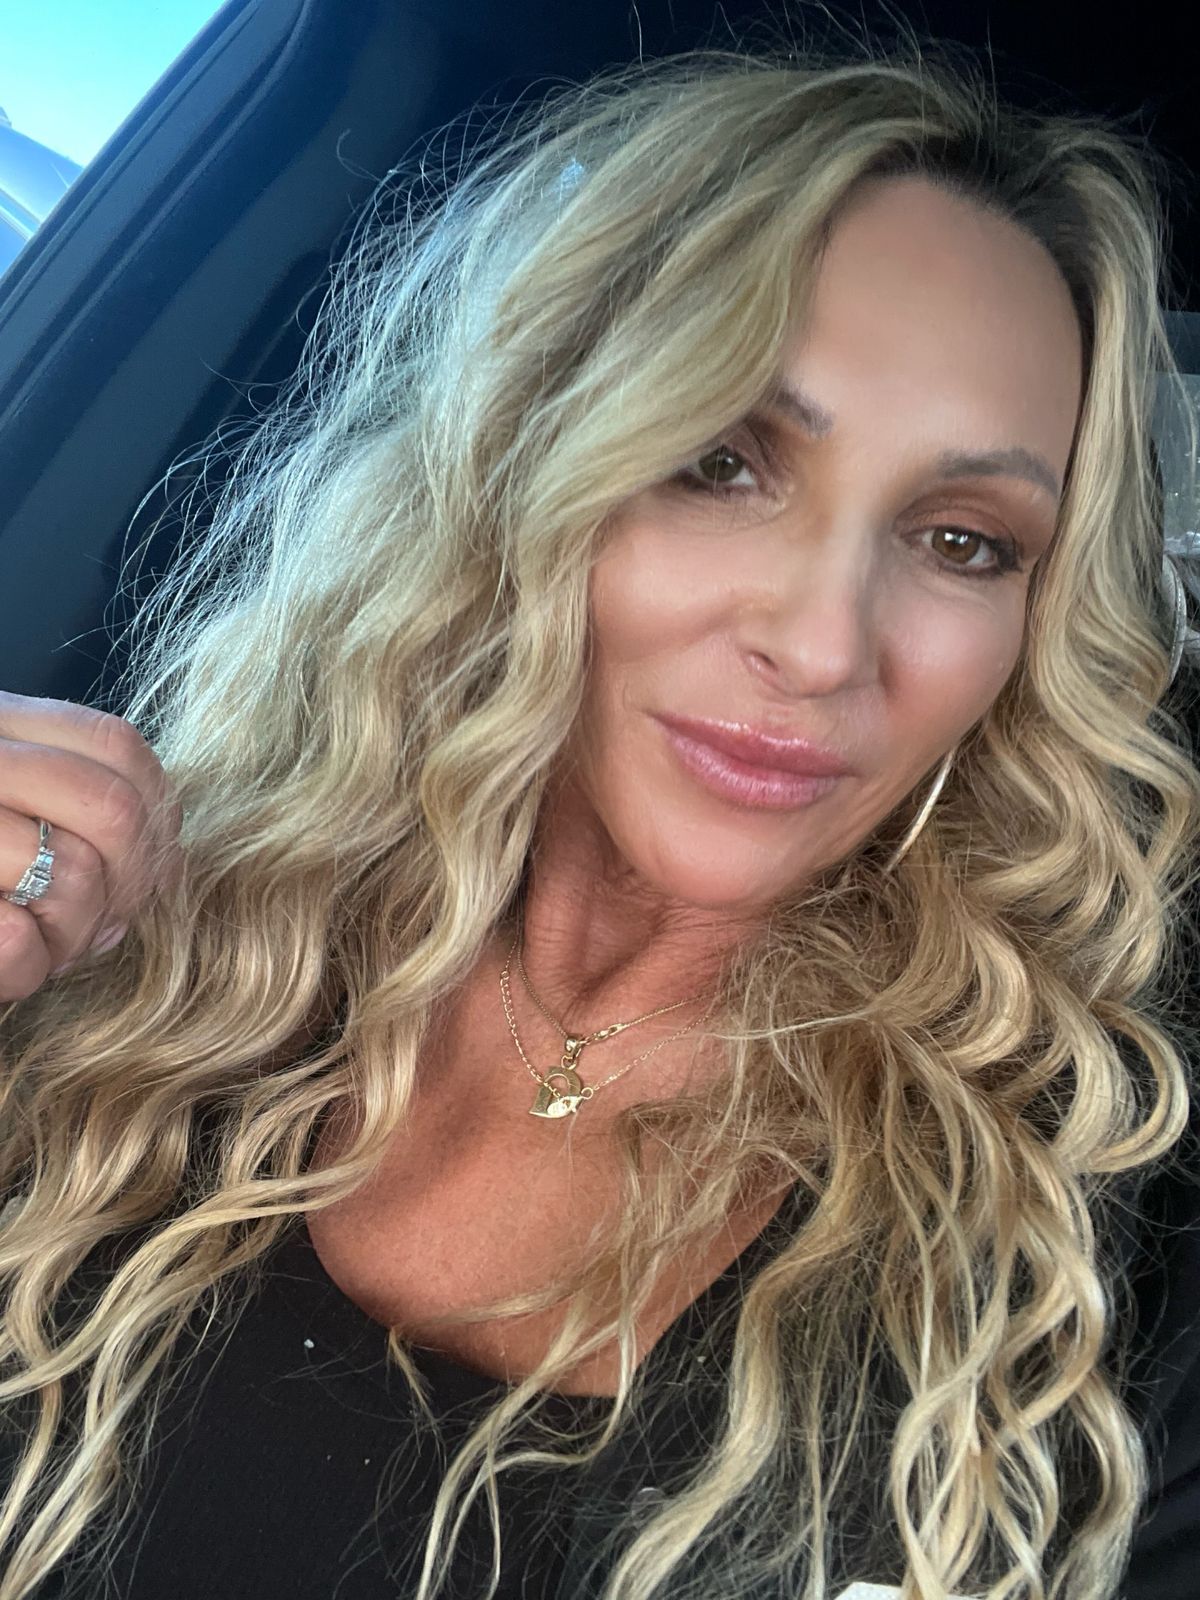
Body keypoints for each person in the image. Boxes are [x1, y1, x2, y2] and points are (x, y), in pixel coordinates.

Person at [0, 29, 1197, 1600]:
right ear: (521, 456)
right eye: (721, 461)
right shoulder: (126, 934)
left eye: (964, 540)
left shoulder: (1074, 1271)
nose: (822, 646)